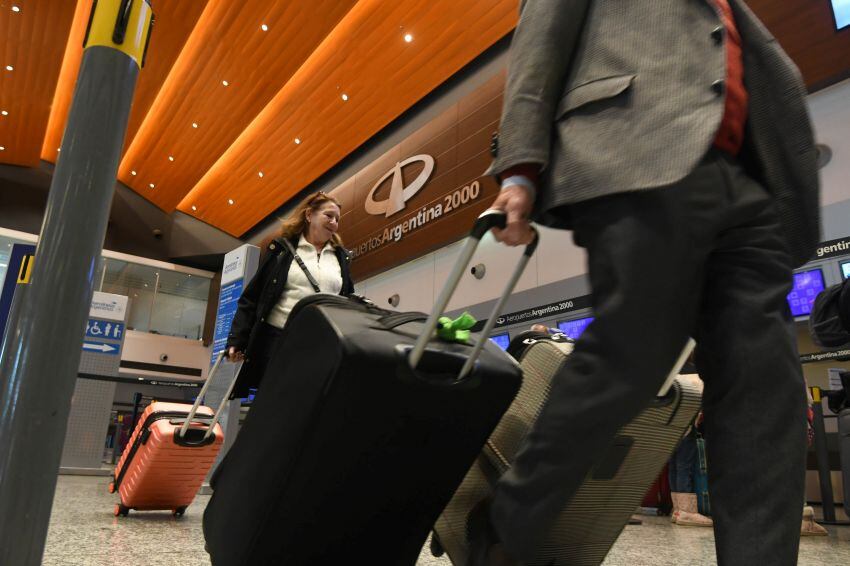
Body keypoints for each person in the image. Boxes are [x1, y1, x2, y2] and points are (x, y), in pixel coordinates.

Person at [469, 1, 820, 565]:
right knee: (629, 360)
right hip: (636, 149)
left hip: (746, 178)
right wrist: (519, 170)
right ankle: (507, 525)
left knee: (765, 393)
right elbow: (540, 43)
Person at [225, 191, 354, 398]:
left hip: (320, 343)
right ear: (309, 215)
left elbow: (348, 302)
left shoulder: (341, 258)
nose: (334, 222)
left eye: (337, 219)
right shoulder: (282, 250)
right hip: (278, 340)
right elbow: (252, 297)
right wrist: (236, 340)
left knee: (309, 403)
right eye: (329, 215)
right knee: (276, 401)